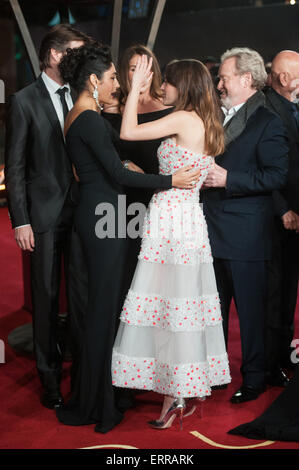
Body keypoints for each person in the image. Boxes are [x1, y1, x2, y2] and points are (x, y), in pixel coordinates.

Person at [55, 43, 202, 434]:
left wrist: (121, 164)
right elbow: (118, 177)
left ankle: (105, 393)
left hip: (102, 213)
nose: (116, 84)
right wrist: (171, 180)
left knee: (106, 307)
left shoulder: (81, 116)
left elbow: (107, 167)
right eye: (112, 78)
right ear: (92, 81)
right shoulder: (87, 119)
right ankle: (99, 402)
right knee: (105, 310)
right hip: (106, 219)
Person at [111, 56, 231, 430]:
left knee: (170, 307)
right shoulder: (206, 121)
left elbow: (127, 132)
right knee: (180, 307)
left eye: (169, 82)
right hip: (189, 219)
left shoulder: (183, 119)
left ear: (184, 85)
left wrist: (135, 90)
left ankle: (174, 395)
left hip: (171, 220)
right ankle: (182, 391)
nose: (163, 86)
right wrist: (143, 90)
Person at [4, 24, 92, 409]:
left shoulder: (82, 96)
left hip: (82, 213)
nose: (80, 59)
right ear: (54, 55)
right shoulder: (24, 100)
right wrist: (20, 220)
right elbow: (16, 166)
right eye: (74, 52)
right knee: (44, 298)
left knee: (80, 295)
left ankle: (83, 370)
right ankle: (49, 377)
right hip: (40, 217)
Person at [201, 47, 289, 404]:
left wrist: (229, 179)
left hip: (248, 235)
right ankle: (216, 373)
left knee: (252, 314)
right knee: (214, 309)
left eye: (224, 77)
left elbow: (277, 174)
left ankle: (254, 379)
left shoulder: (269, 121)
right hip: (209, 230)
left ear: (246, 79)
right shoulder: (213, 116)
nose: (218, 83)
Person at [102, 44, 173, 317]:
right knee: (128, 271)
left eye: (147, 67)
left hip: (160, 198)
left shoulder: (169, 108)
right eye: (134, 68)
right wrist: (122, 164)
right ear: (124, 72)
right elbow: (102, 152)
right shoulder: (111, 109)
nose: (142, 74)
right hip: (122, 201)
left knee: (158, 274)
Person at [264, 50, 299, 386]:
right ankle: (270, 362)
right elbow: (256, 165)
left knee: (289, 292)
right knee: (276, 292)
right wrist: (282, 208)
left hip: (296, 213)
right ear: (284, 78)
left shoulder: (293, 105)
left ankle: (284, 354)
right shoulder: (264, 108)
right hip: (278, 217)